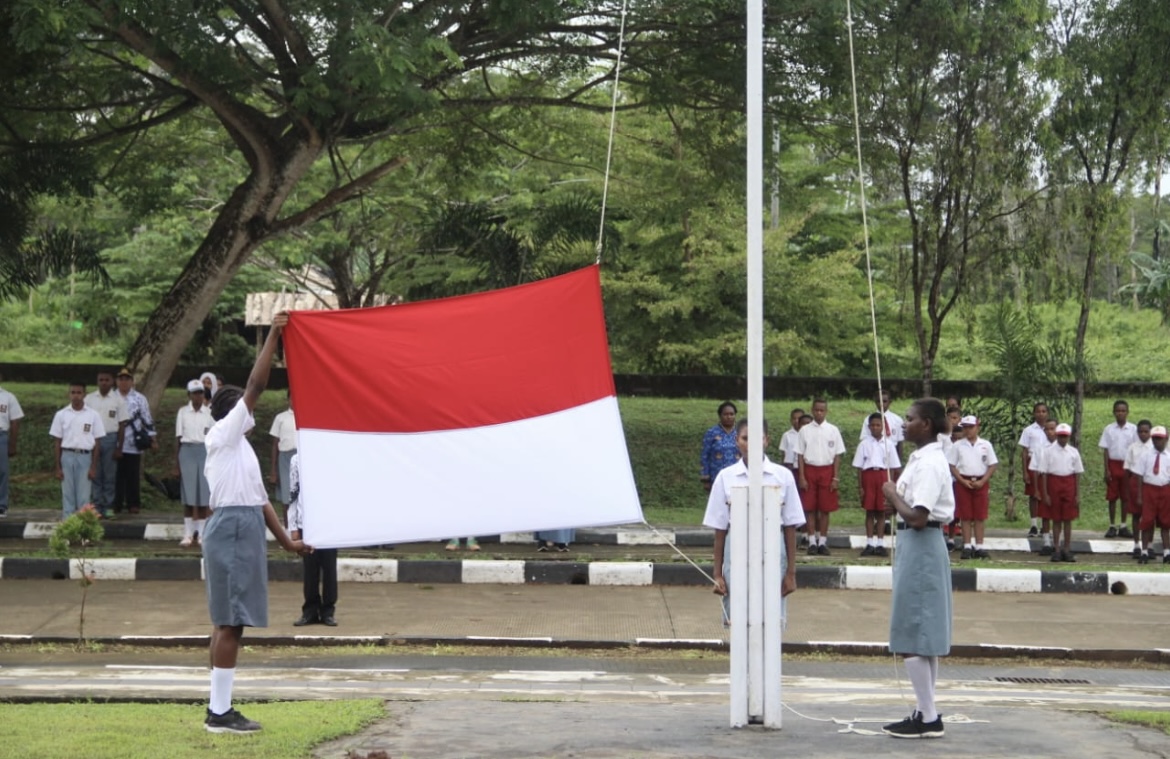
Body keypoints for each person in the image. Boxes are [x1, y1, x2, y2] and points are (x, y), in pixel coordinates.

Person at [202, 312, 307, 734]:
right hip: (231, 529)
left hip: (242, 526)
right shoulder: (224, 435)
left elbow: (262, 501)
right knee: (232, 622)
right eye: (245, 408)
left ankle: (218, 708)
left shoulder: (240, 450)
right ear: (232, 413)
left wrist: (287, 543)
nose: (254, 411)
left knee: (228, 620)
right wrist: (276, 335)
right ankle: (220, 714)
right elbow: (255, 385)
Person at [881, 398, 954, 739]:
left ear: (925, 424)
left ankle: (928, 717)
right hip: (917, 546)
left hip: (921, 544)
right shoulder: (922, 458)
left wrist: (893, 494)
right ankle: (927, 710)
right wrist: (897, 497)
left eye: (909, 419)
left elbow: (919, 517)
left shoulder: (929, 464)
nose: (903, 423)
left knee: (912, 630)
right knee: (924, 634)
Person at [703, 419, 803, 625]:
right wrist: (717, 574)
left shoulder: (782, 476)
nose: (751, 444)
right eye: (746, 438)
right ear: (737, 441)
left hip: (774, 552)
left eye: (757, 438)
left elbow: (790, 526)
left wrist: (791, 572)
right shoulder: (726, 477)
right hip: (737, 552)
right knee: (739, 619)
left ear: (766, 440)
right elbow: (720, 530)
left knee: (771, 619)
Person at [287, 453, 338, 626]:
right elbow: (293, 494)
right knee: (310, 568)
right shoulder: (297, 459)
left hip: (329, 521)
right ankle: (309, 610)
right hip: (306, 522)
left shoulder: (333, 457)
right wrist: (293, 527)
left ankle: (328, 611)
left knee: (329, 568)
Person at [49, 383, 105, 520]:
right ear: (69, 394)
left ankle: (83, 527)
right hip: (67, 455)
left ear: (84, 394)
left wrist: (93, 466)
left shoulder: (93, 415)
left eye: (79, 393)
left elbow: (97, 443)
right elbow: (57, 442)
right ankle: (68, 525)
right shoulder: (61, 415)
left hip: (85, 456)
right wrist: (58, 467)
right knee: (67, 493)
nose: (76, 396)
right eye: (73, 392)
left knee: (84, 495)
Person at [796, 398, 845, 555]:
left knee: (825, 508)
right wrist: (802, 477)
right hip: (810, 469)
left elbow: (837, 455)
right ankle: (811, 541)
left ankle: (822, 541)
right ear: (812, 410)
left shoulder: (833, 430)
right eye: (816, 410)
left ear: (826, 411)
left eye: (822, 410)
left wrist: (835, 477)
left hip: (827, 470)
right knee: (809, 508)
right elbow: (800, 455)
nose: (819, 413)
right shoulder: (804, 430)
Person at [948, 415, 998, 560]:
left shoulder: (985, 445)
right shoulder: (958, 445)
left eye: (971, 427)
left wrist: (983, 481)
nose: (968, 430)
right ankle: (967, 545)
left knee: (980, 516)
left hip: (980, 481)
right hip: (964, 481)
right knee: (965, 515)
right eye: (965, 428)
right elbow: (952, 465)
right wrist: (962, 480)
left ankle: (980, 545)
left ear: (978, 427)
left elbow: (992, 464)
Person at [854, 412, 901, 557]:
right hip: (869, 476)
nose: (875, 428)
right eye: (873, 425)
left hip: (883, 476)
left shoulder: (889, 444)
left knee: (881, 511)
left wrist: (891, 485)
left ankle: (880, 543)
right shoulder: (864, 444)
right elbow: (859, 467)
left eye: (878, 425)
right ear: (869, 427)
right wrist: (860, 486)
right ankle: (869, 543)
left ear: (883, 426)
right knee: (869, 511)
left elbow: (893, 467)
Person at [83, 370, 129, 519]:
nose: (104, 382)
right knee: (95, 474)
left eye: (106, 380)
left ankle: (109, 506)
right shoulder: (89, 399)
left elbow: (122, 425)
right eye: (101, 380)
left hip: (110, 438)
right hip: (92, 439)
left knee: (109, 476)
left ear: (112, 382)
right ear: (97, 381)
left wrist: (119, 447)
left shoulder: (118, 400)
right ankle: (96, 506)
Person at [1036, 423, 1084, 563]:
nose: (1063, 439)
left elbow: (1077, 474)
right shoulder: (1049, 451)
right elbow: (1043, 473)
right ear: (1057, 436)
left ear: (1069, 436)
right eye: (1060, 436)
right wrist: (1045, 493)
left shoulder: (1073, 452)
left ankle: (1067, 549)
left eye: (1065, 437)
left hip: (1069, 484)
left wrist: (1077, 494)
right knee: (1056, 519)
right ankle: (1056, 549)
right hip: (1053, 483)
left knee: (1067, 520)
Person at [174, 380, 213, 547]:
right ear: (188, 394)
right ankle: (188, 534)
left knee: (204, 494)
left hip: (204, 451)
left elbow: (213, 438)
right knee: (189, 494)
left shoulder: (209, 413)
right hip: (187, 451)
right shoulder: (183, 412)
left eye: (200, 392)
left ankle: (202, 534)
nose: (198, 396)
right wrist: (176, 464)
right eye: (194, 393)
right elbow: (178, 438)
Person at [114, 367, 156, 515]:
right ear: (117, 381)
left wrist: (153, 438)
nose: (124, 382)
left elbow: (147, 418)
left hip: (133, 442)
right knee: (116, 476)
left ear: (132, 381)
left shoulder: (139, 398)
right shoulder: (112, 397)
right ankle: (116, 503)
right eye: (121, 379)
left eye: (127, 379)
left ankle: (133, 503)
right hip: (115, 442)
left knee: (133, 475)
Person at [1099, 400, 1137, 539]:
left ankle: (1123, 525)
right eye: (1118, 411)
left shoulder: (1133, 429)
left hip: (1127, 466)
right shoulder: (1109, 429)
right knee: (1112, 497)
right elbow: (1106, 450)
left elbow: (1135, 449)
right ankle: (1112, 525)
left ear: (1127, 412)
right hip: (1113, 465)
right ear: (1114, 412)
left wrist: (1133, 467)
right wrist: (1106, 469)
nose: (1120, 413)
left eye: (1123, 411)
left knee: (1126, 497)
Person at [1135, 426, 1170, 566]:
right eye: (1155, 439)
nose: (1157, 442)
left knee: (1166, 523)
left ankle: (1167, 552)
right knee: (1147, 522)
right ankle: (1144, 551)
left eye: (1160, 439)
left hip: (1165, 489)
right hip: (1149, 489)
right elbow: (1139, 476)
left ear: (1166, 439)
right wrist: (1139, 494)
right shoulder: (1146, 455)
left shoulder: (1169, 457)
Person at [1017, 402, 1049, 538]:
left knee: (1046, 494)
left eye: (1043, 411)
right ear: (1034, 413)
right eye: (1038, 411)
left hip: (1047, 464)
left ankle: (1045, 525)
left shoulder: (1052, 429)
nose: (1041, 414)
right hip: (1032, 464)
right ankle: (1034, 524)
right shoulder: (1029, 430)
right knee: (1033, 495)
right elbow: (1024, 452)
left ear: (1047, 413)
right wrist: (1025, 471)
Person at [1123, 420, 1154, 560]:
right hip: (1135, 482)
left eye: (1146, 431)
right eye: (1140, 431)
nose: (1143, 434)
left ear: (1151, 432)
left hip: (1150, 482)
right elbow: (1127, 468)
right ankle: (1136, 544)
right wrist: (1129, 486)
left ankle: (1150, 545)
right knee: (1136, 514)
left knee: (1150, 516)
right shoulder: (1132, 447)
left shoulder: (1155, 447)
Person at [1029, 419, 1059, 556]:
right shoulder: (1040, 448)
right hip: (1044, 481)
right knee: (1046, 514)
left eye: (1053, 429)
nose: (1050, 432)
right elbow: (1035, 469)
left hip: (1059, 481)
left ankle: (1058, 543)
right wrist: (1036, 489)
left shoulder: (1064, 447)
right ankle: (1046, 542)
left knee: (1059, 514)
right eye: (1047, 429)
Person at [269, 393, 298, 521]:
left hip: (300, 457)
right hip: (285, 458)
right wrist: (274, 470)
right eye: (291, 398)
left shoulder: (303, 416)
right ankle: (288, 529)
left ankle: (300, 527)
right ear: (288, 399)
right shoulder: (280, 418)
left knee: (300, 495)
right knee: (287, 495)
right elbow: (275, 444)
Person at [0, 372, 25, 518]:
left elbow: (15, 421)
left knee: (2, 472)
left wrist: (12, 444)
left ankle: (1, 505)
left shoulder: (8, 397)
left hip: (1, 436)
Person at [700, 401, 739, 491]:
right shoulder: (711, 433)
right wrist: (706, 478)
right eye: (725, 414)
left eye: (731, 414)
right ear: (720, 415)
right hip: (717, 476)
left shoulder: (740, 432)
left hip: (737, 477)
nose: (729, 417)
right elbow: (705, 456)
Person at [859, 390, 904, 460]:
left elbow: (900, 442)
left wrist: (899, 462)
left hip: (892, 453)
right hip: (874, 453)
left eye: (884, 401)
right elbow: (865, 439)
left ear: (890, 402)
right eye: (878, 401)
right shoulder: (868, 419)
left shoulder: (897, 420)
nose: (881, 404)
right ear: (875, 402)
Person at [778, 407, 804, 474]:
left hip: (802, 466)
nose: (796, 421)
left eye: (798, 418)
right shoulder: (786, 435)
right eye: (794, 418)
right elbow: (783, 454)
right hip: (789, 466)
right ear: (790, 420)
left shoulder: (806, 434)